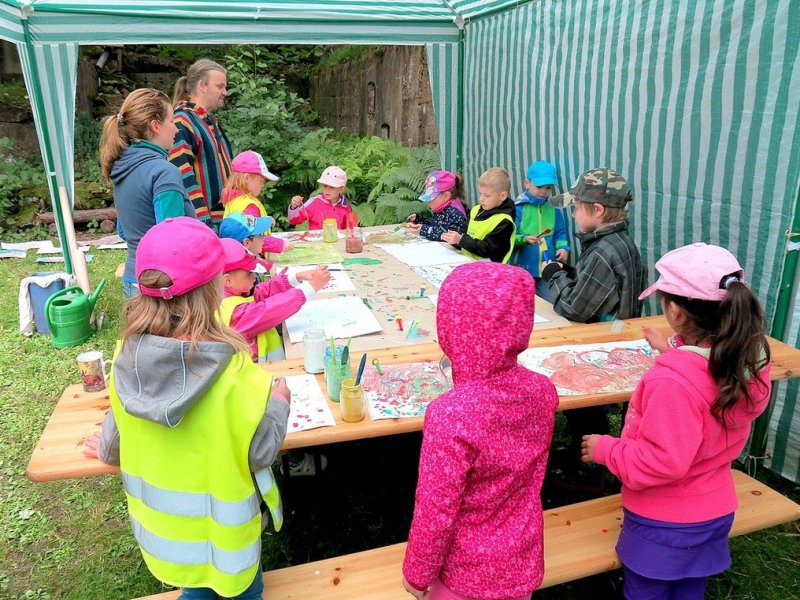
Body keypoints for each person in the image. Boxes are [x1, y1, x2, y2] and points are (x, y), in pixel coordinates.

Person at [83, 217, 290, 599]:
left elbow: (113, 444)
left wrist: (105, 447)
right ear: (215, 289)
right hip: (227, 540)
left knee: (195, 590)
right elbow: (261, 452)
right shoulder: (234, 372)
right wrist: (279, 402)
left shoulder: (125, 361)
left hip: (166, 538)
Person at [581, 242, 772, 600]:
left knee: (646, 592)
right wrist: (672, 351)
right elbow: (706, 379)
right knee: (690, 587)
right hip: (714, 511)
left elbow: (661, 462)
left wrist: (606, 449)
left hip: (663, 522)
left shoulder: (672, 383)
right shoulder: (746, 361)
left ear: (675, 312)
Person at [402, 262, 558, 600]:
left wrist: (417, 573)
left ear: (452, 327)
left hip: (464, 576)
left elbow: (436, 508)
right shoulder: (543, 391)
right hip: (521, 562)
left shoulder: (450, 415)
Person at [539, 168, 647, 481]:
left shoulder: (602, 252)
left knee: (585, 409)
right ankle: (584, 452)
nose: (573, 214)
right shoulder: (618, 241)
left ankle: (588, 469)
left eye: (576, 207)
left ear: (597, 210)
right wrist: (570, 274)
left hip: (601, 350)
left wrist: (554, 275)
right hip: (613, 339)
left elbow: (574, 308)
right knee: (586, 412)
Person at [100, 88, 195, 298]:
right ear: (155, 126)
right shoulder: (164, 172)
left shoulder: (122, 167)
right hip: (161, 288)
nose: (176, 129)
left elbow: (124, 231)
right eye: (172, 121)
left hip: (132, 279)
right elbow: (171, 241)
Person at [218, 238, 330, 363]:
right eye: (249, 273)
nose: (254, 277)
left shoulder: (225, 296)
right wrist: (310, 288)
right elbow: (269, 309)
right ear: (227, 280)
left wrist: (295, 278)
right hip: (261, 368)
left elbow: (260, 294)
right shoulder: (234, 314)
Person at [169, 59, 233, 229]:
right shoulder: (182, 122)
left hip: (225, 221)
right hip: (206, 225)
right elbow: (182, 176)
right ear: (202, 86)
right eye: (220, 86)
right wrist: (203, 223)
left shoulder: (208, 121)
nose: (225, 92)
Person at [509, 160, 570, 302]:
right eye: (539, 186)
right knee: (523, 302)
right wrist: (524, 239)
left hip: (547, 268)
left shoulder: (553, 209)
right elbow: (509, 237)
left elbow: (560, 232)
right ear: (527, 183)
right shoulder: (518, 208)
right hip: (523, 269)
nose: (544, 191)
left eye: (548, 187)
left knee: (550, 303)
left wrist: (563, 248)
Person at [441, 167, 516, 263]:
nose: (481, 199)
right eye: (480, 193)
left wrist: (461, 240)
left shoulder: (504, 221)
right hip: (466, 261)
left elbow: (488, 249)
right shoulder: (475, 210)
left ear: (502, 196)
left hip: (487, 270)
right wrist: (454, 239)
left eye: (487, 195)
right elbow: (464, 233)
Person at [288, 166, 356, 230]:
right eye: (325, 186)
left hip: (337, 238)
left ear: (341, 189)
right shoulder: (314, 202)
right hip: (317, 238)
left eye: (332, 187)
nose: (327, 190)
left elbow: (349, 228)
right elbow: (294, 220)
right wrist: (294, 207)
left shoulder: (345, 205)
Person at [406, 170, 468, 241]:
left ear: (446, 196)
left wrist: (426, 230)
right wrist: (419, 220)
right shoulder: (442, 207)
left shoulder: (455, 213)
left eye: (431, 198)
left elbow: (450, 238)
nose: (428, 202)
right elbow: (436, 226)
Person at [220, 212, 292, 272]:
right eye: (260, 234)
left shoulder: (245, 263)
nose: (264, 237)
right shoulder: (243, 273)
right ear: (247, 243)